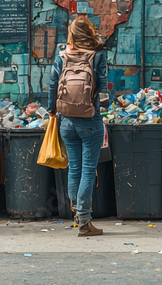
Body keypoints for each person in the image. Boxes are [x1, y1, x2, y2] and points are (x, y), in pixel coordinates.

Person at [48, 15, 108, 237]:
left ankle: (77, 215)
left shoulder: (62, 55)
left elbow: (53, 84)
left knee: (73, 167)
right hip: (90, 121)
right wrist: (102, 108)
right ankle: (84, 221)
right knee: (88, 170)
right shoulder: (97, 56)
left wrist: (52, 111)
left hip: (66, 121)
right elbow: (102, 87)